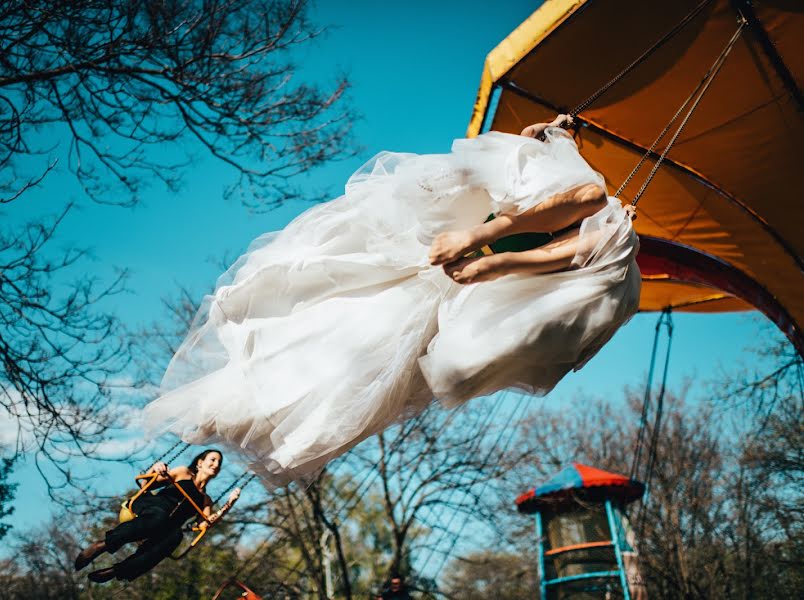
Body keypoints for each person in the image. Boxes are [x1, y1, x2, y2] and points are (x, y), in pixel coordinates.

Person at [143, 115, 640, 486]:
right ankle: (237, 405)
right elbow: (565, 202)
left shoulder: (605, 228)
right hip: (434, 266)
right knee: (330, 317)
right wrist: (482, 235)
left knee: (358, 356)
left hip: (449, 287)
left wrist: (490, 258)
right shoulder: (547, 179)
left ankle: (252, 413)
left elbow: (586, 212)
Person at [74, 449, 241, 583]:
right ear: (200, 462)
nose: (216, 464)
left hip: (167, 526)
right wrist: (157, 468)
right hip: (153, 506)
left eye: (219, 463)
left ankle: (118, 570)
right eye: (212, 459)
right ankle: (102, 545)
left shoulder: (206, 500)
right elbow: (147, 484)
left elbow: (203, 525)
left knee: (176, 535)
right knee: (160, 517)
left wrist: (228, 505)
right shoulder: (183, 473)